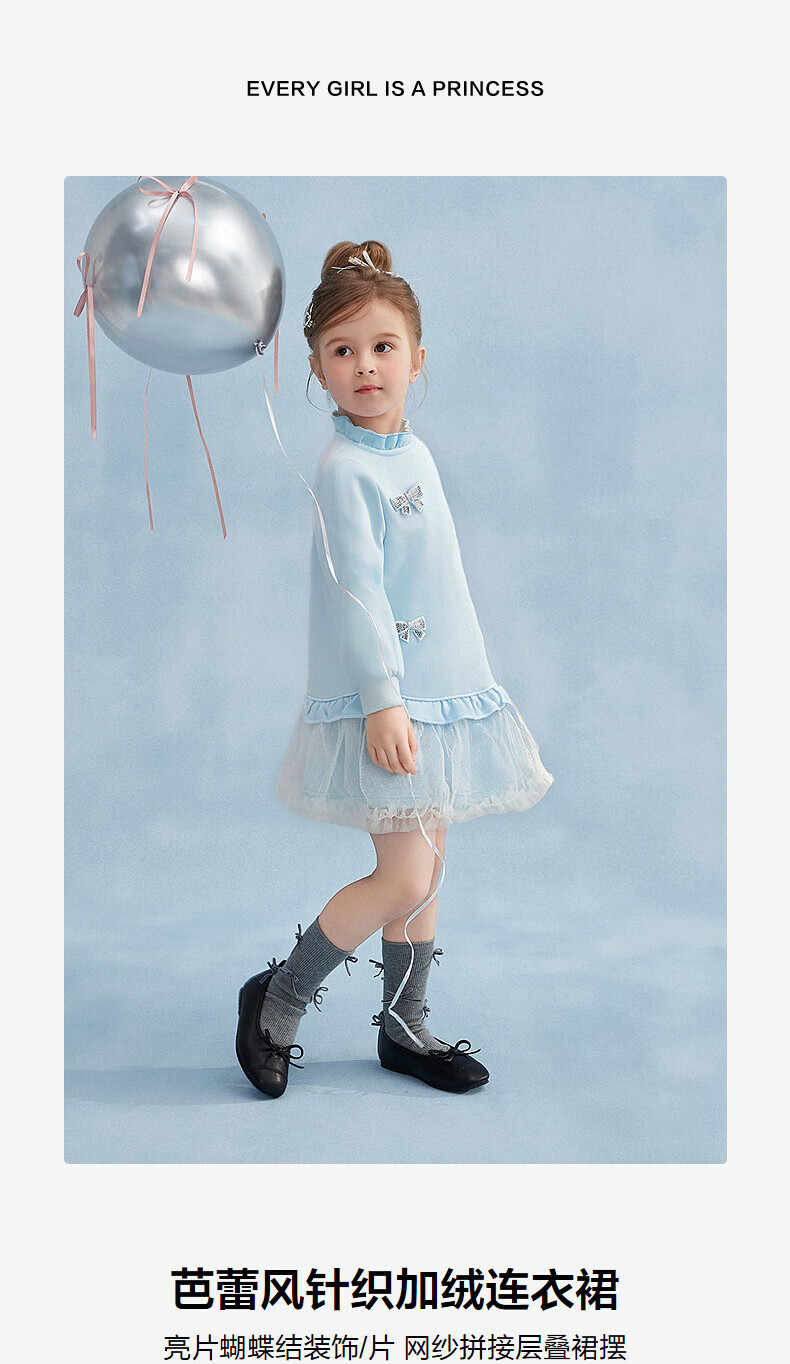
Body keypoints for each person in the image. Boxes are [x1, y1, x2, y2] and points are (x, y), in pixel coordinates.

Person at [236, 240, 554, 1099]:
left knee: (430, 870)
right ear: (317, 369)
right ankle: (277, 1000)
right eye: (343, 351)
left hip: (442, 694)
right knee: (404, 872)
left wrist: (452, 688)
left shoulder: (412, 453)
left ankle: (405, 1025)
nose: (366, 366)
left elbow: (434, 580)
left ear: (417, 358)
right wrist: (383, 701)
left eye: (383, 347)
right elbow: (360, 593)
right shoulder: (344, 470)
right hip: (393, 699)